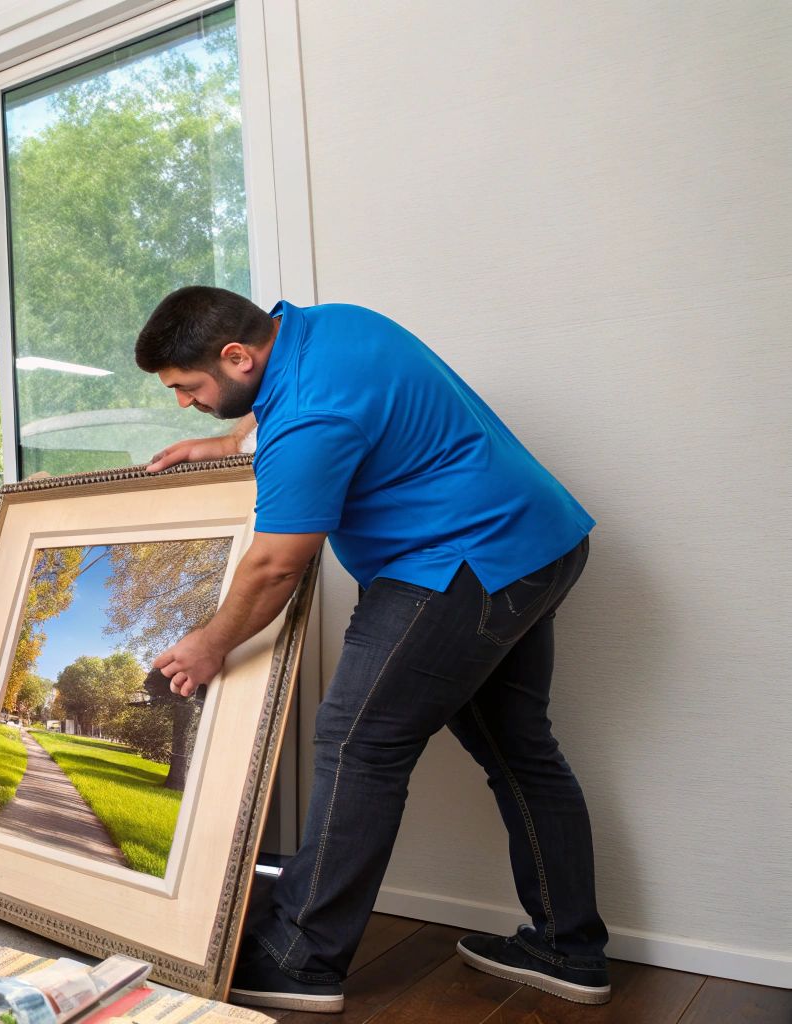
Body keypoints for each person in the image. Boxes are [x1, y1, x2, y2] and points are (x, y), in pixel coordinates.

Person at [136, 287, 608, 1013]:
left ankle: (301, 958)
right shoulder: (330, 327)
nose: (184, 403)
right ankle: (569, 947)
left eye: (189, 388)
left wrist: (209, 644)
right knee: (520, 750)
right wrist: (232, 441)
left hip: (459, 569)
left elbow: (275, 568)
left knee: (358, 745)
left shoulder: (307, 419)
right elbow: (322, 406)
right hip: (536, 544)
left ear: (237, 356)